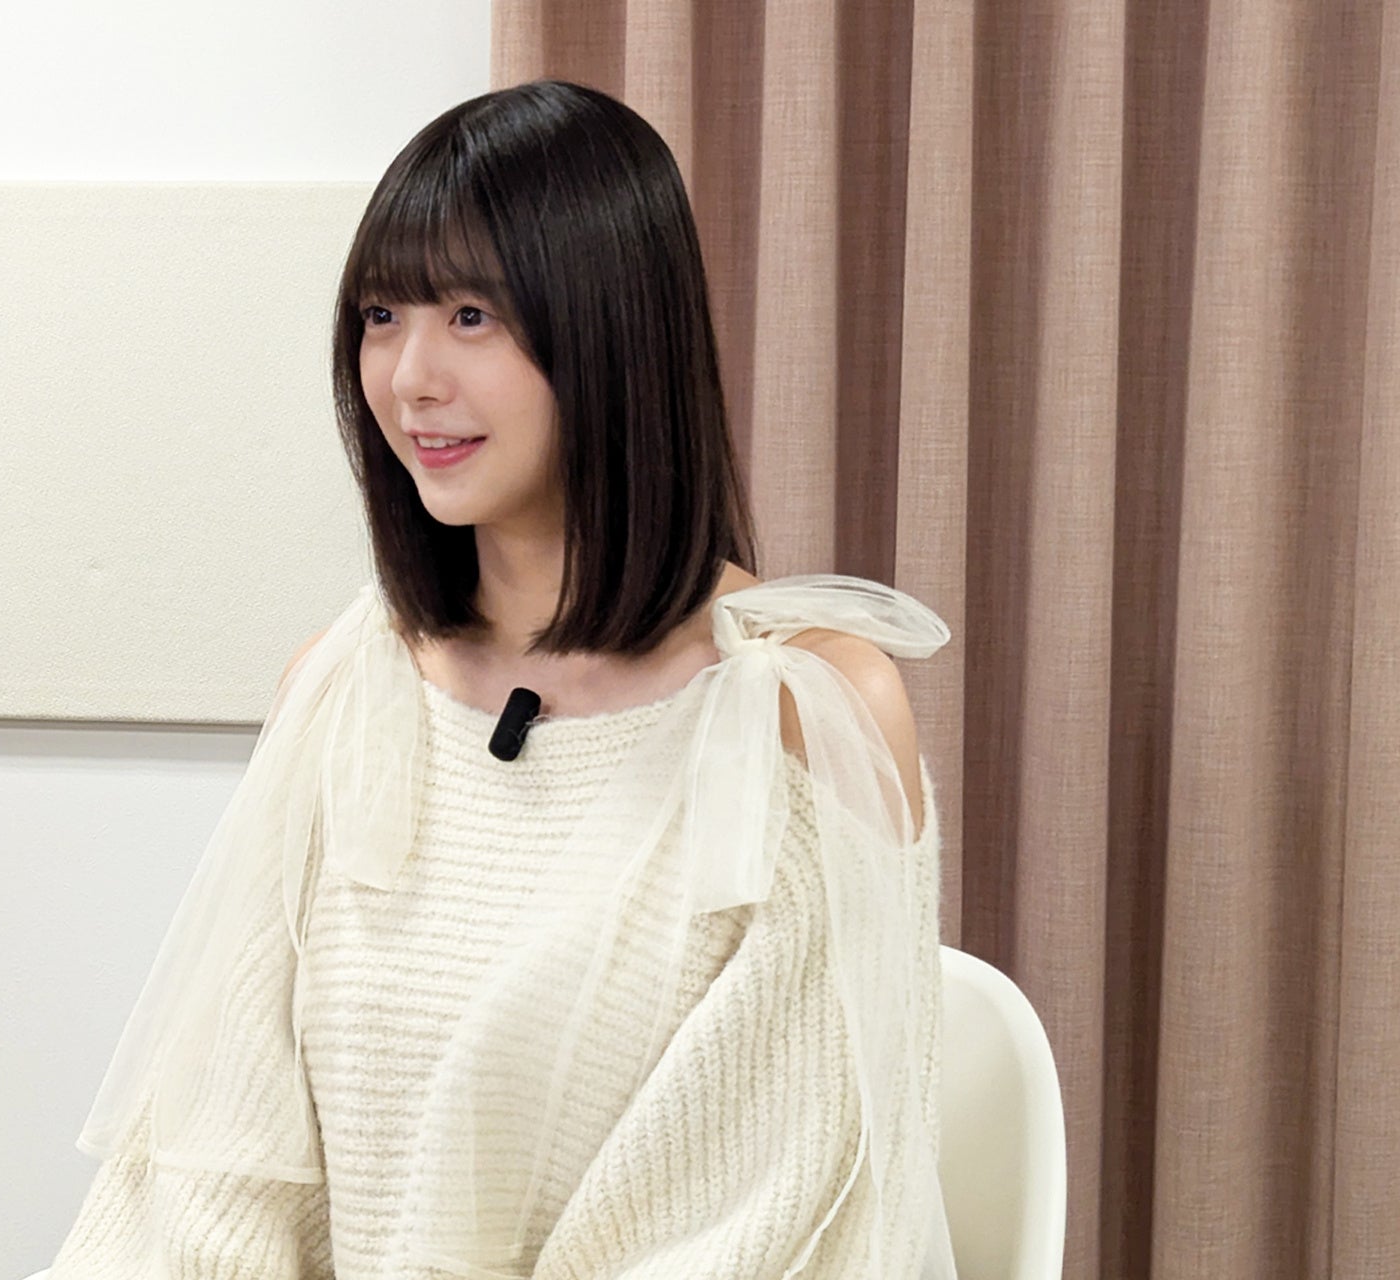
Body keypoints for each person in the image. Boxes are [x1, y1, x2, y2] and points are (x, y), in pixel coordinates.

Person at [47, 78, 959, 1279]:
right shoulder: (345, 686)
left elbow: (763, 1223)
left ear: (611, 333)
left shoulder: (802, 713)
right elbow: (217, 1163)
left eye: (471, 315)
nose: (409, 376)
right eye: (382, 313)